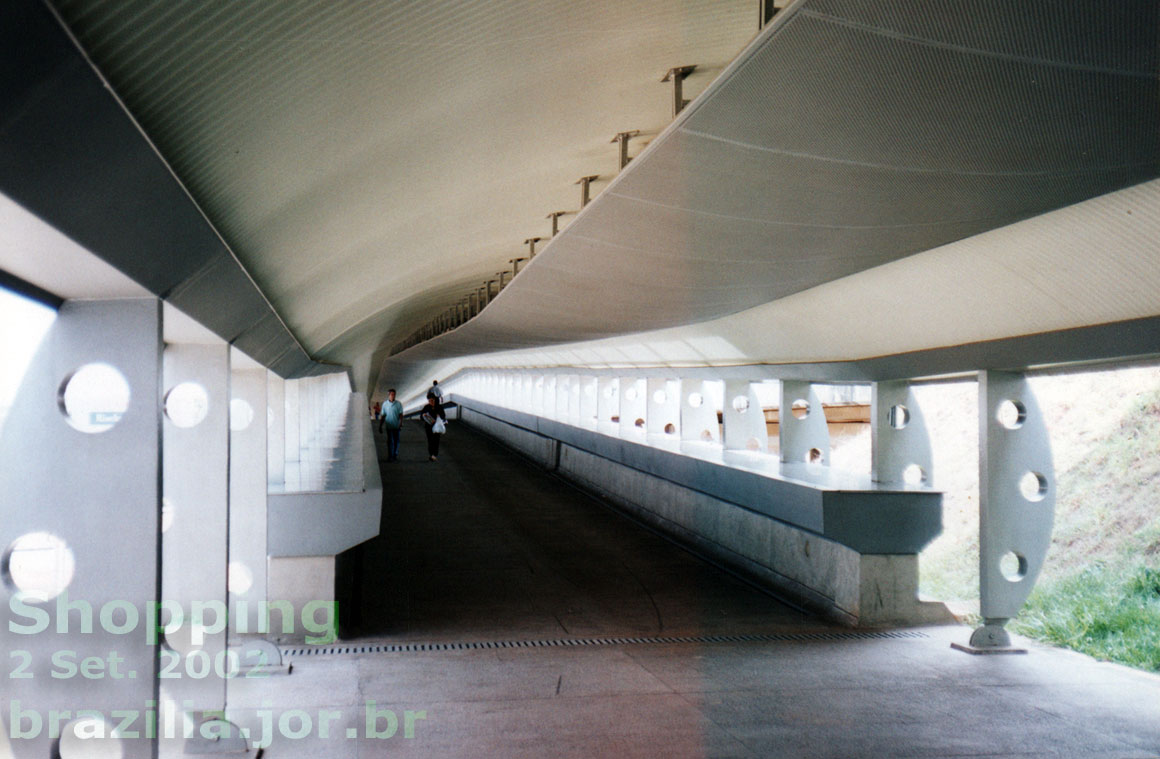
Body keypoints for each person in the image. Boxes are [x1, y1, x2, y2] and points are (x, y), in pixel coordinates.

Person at [420, 393, 446, 462]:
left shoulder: (439, 407)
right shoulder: (426, 407)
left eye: (432, 400)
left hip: (437, 428)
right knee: (430, 441)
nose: (431, 402)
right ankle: (431, 454)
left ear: (435, 400)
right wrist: (424, 416)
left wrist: (439, 416)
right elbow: (421, 416)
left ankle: (435, 454)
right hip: (428, 427)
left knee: (436, 441)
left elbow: (443, 416)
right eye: (429, 401)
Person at [379, 389, 403, 462]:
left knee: (396, 441)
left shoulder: (398, 404)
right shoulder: (385, 404)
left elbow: (401, 414)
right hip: (389, 426)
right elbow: (383, 415)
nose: (393, 396)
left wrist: (400, 423)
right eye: (391, 394)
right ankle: (390, 456)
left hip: (396, 426)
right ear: (388, 395)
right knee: (390, 441)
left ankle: (395, 454)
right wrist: (380, 425)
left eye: (394, 394)